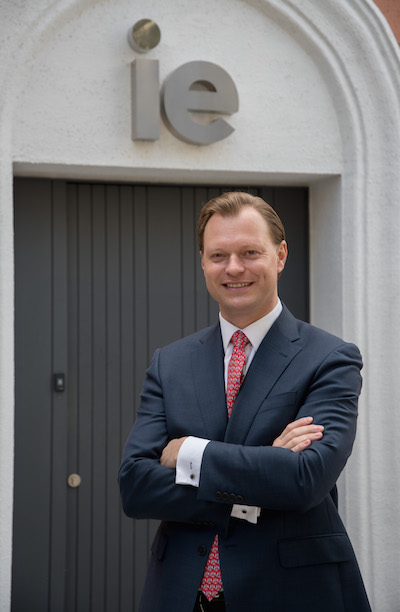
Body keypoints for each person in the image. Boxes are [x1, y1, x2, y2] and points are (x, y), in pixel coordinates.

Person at [119, 191, 371, 611]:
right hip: (180, 594)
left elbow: (305, 479)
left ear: (280, 255)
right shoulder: (171, 362)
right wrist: (264, 467)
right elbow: (135, 486)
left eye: (250, 252)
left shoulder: (330, 357)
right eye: (218, 255)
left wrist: (191, 453)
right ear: (203, 261)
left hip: (290, 593)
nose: (233, 268)